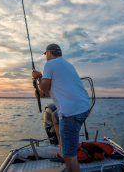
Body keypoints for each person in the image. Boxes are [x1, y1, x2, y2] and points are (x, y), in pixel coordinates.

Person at [32, 44, 89, 172]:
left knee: (70, 157)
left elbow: (45, 88)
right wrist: (41, 92)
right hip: (83, 107)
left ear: (49, 53)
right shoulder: (68, 65)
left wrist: (39, 77)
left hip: (71, 113)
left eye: (46, 54)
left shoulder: (50, 64)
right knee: (55, 116)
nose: (46, 57)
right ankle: (61, 151)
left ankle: (66, 154)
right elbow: (48, 92)